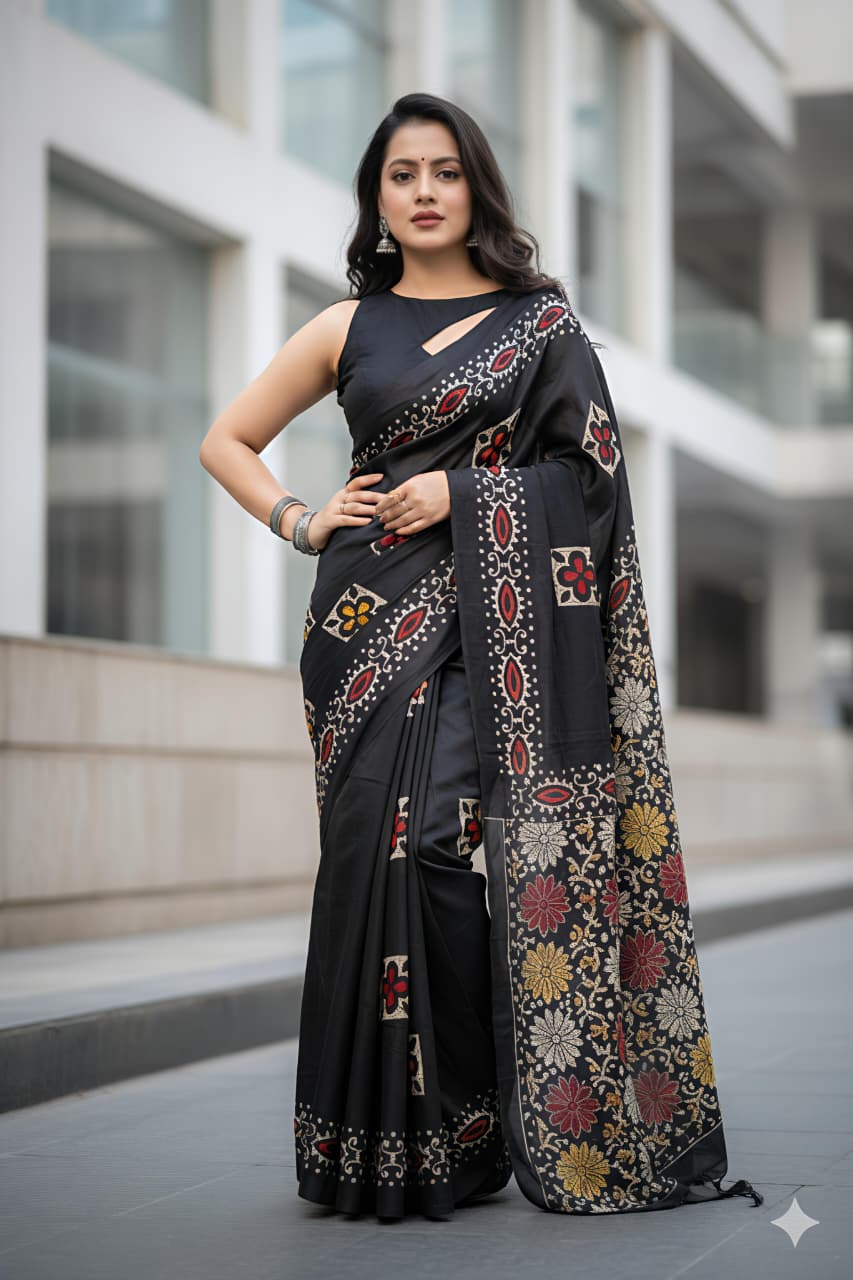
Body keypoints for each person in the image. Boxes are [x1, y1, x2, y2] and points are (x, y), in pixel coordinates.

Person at [199, 92, 762, 1224]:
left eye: (443, 171)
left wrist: (459, 490)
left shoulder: (539, 326)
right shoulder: (344, 326)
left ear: (475, 187)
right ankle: (372, 1143)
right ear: (376, 197)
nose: (421, 192)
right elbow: (226, 439)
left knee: (440, 856)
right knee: (369, 862)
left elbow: (590, 482)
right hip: (361, 634)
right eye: (399, 174)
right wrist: (304, 521)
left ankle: (462, 1120)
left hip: (484, 633)